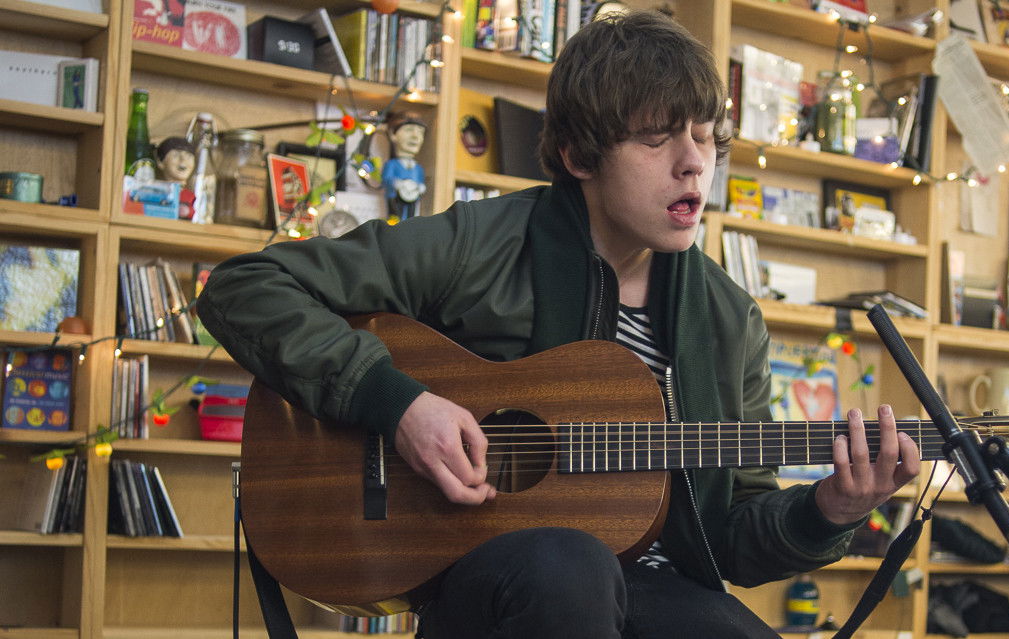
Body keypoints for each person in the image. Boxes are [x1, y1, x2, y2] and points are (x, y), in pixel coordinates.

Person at [198, 9, 919, 639]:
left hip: (655, 587)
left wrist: (830, 510)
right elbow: (244, 287)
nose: (693, 164)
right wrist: (400, 405)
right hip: (495, 585)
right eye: (656, 139)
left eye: (705, 137)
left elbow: (733, 540)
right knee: (570, 566)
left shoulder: (730, 320)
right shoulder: (481, 244)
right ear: (578, 155)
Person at [381, 110, 428, 222]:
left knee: (411, 218)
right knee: (395, 219)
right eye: (409, 130)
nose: (415, 136)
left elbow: (421, 182)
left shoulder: (418, 168)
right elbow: (386, 179)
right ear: (393, 134)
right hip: (395, 198)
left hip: (412, 198)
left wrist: (420, 187)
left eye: (420, 132)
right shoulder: (392, 164)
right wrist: (396, 183)